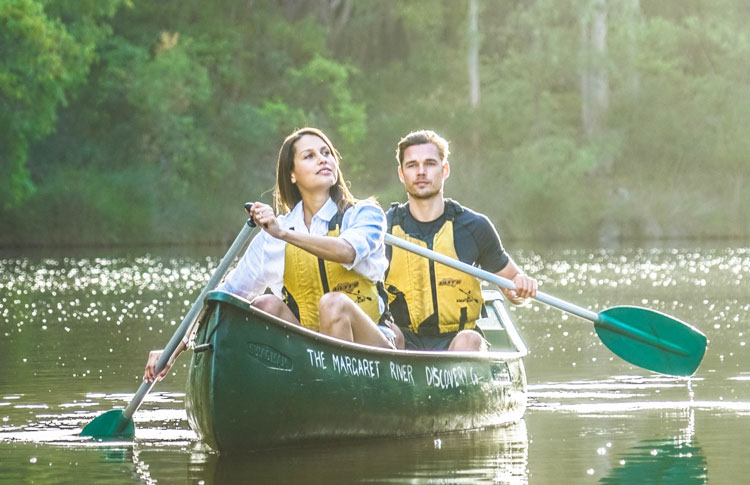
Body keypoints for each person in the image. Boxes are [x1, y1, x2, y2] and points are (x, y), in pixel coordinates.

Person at [144, 127, 395, 382]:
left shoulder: (364, 213)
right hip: (311, 361)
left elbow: (347, 251)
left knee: (334, 303)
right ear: (292, 175)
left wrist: (283, 233)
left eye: (326, 153)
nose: (322, 159)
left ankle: (340, 394)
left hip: (373, 352)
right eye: (309, 156)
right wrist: (173, 350)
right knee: (264, 306)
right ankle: (278, 387)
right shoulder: (271, 238)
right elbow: (224, 299)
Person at [384, 130, 537, 352]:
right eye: (412, 165)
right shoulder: (383, 228)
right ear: (401, 173)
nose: (421, 172)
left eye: (430, 163)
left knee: (469, 340)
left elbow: (513, 284)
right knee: (385, 330)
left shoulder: (474, 226)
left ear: (444, 170)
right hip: (403, 341)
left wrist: (522, 287)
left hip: (458, 341)